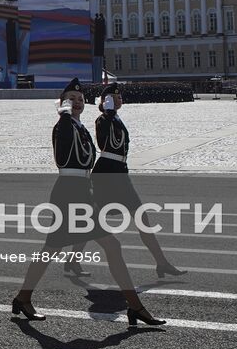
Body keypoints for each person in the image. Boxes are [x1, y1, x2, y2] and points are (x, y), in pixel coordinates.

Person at [12, 79, 165, 326]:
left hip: (81, 192)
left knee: (55, 249)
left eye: (81, 100)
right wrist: (63, 117)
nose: (78, 103)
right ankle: (135, 307)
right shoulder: (62, 126)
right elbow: (62, 158)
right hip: (69, 194)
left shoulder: (80, 127)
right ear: (62, 103)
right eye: (72, 99)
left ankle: (23, 297)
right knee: (98, 247)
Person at [91, 82, 184, 278]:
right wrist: (107, 112)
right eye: (113, 98)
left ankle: (161, 262)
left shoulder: (116, 118)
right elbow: (104, 143)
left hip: (120, 172)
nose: (118, 100)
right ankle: (72, 259)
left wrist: (111, 114)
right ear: (105, 101)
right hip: (106, 174)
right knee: (93, 218)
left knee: (141, 217)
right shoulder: (103, 120)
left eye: (119, 97)